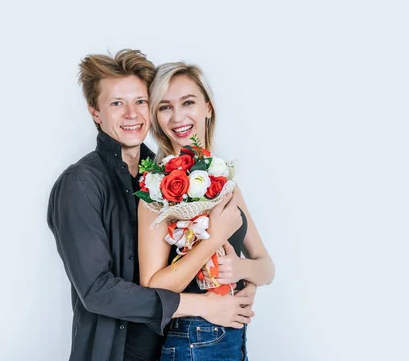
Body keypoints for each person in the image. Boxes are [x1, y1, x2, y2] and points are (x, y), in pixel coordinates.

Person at [47, 50, 257, 361]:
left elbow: (201, 257)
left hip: (178, 348)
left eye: (140, 101)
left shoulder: (166, 176)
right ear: (95, 112)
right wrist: (202, 306)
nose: (132, 114)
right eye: (117, 103)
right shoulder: (80, 184)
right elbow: (97, 291)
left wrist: (245, 282)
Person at [138, 62, 276, 360]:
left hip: (233, 337)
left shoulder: (225, 181)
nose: (178, 117)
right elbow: (153, 288)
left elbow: (267, 266)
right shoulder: (154, 191)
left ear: (208, 108)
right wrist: (213, 240)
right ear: (156, 117)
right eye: (164, 107)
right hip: (191, 338)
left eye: (188, 102)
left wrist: (243, 272)